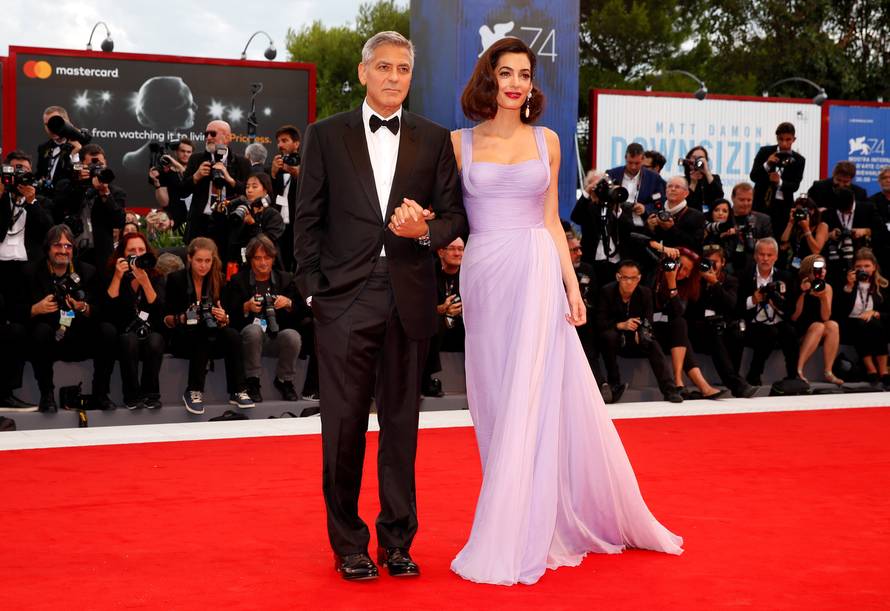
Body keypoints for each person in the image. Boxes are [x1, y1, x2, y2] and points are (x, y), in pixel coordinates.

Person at [450, 37, 682, 587]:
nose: (516, 83)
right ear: (488, 78)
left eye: (524, 74)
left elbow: (552, 220)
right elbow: (448, 216)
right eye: (506, 72)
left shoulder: (548, 140)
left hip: (535, 268)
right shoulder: (459, 143)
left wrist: (571, 287)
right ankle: (512, 511)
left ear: (532, 84)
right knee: (496, 396)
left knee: (533, 392)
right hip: (485, 273)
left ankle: (525, 526)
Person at [294, 31, 468, 581]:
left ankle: (397, 540)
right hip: (343, 300)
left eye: (404, 69)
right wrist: (313, 291)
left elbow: (454, 217)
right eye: (385, 67)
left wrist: (424, 234)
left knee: (401, 427)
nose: (395, 77)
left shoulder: (433, 139)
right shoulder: (325, 135)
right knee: (342, 427)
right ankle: (348, 543)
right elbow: (307, 218)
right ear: (364, 72)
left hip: (409, 298)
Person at [24, 224, 117, 411]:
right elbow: (14, 311)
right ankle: (47, 395)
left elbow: (102, 310)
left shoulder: (88, 272)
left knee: (108, 331)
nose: (63, 250)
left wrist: (84, 307)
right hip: (50, 338)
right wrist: (35, 309)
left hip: (79, 336)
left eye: (68, 246)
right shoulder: (31, 272)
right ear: (47, 248)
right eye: (57, 245)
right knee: (40, 331)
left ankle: (100, 393)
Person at [163, 237, 254, 414]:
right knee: (202, 333)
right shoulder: (176, 279)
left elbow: (228, 317)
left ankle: (238, 390)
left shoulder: (219, 279)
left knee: (232, 335)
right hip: (183, 339)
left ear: (213, 261)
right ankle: (193, 390)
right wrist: (183, 317)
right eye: (199, 260)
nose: (203, 265)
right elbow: (165, 319)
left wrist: (224, 317)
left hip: (210, 338)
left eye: (207, 261)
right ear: (189, 258)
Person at [223, 235, 309, 404]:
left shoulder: (286, 279)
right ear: (250, 260)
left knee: (292, 336)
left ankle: (284, 380)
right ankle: (252, 381)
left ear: (273, 259)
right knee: (253, 331)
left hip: (276, 338)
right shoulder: (238, 281)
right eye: (258, 258)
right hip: (249, 341)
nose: (263, 263)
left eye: (267, 257)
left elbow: (303, 312)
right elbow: (227, 315)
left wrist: (289, 304)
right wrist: (246, 307)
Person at [597, 260, 682, 404]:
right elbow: (600, 322)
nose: (629, 282)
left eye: (633, 278)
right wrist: (620, 325)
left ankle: (669, 389)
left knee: (652, 343)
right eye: (625, 278)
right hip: (615, 336)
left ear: (639, 278)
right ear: (618, 277)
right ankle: (614, 384)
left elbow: (648, 319)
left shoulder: (645, 293)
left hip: (635, 336)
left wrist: (642, 331)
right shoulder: (607, 291)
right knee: (608, 337)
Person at [104, 232, 166, 409]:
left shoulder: (156, 276)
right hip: (123, 334)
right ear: (122, 255)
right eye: (132, 251)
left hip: (149, 332)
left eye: (141, 250)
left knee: (156, 339)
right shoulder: (114, 274)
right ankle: (131, 396)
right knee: (128, 339)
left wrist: (145, 282)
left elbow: (159, 309)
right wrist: (117, 277)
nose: (137, 254)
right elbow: (108, 309)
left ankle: (150, 394)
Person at [652, 249, 725, 399]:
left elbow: (678, 312)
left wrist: (672, 285)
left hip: (671, 333)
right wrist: (669, 279)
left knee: (680, 325)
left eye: (687, 270)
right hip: (651, 331)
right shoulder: (655, 277)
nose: (682, 272)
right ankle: (694, 385)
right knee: (681, 329)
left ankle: (685, 384)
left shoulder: (685, 286)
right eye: (680, 266)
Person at [687, 245, 756, 397]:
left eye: (715, 262)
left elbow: (730, 304)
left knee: (737, 330)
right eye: (707, 262)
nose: (711, 266)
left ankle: (735, 377)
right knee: (712, 330)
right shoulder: (695, 279)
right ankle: (736, 384)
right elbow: (691, 306)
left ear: (723, 262)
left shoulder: (730, 281)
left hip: (722, 327)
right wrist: (700, 281)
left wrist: (715, 284)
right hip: (699, 330)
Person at [738, 238, 800, 386]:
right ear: (755, 256)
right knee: (768, 332)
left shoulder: (785, 277)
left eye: (769, 255)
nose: (765, 258)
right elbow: (736, 306)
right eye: (761, 254)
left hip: (778, 321)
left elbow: (791, 308)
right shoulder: (744, 276)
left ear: (776, 257)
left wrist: (777, 304)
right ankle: (754, 374)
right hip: (752, 323)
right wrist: (753, 300)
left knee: (790, 332)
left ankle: (793, 376)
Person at [52, 144, 126, 267]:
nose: (97, 168)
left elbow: (119, 221)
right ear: (82, 165)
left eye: (100, 165)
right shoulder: (68, 186)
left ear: (106, 163)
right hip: (72, 253)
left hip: (102, 256)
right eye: (92, 165)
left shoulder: (115, 192)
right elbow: (58, 211)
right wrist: (79, 184)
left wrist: (105, 193)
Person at [570, 169, 647, 284]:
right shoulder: (586, 206)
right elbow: (576, 217)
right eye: (598, 185)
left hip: (616, 261)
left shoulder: (618, 206)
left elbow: (629, 229)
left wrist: (616, 207)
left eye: (604, 184)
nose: (602, 189)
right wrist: (588, 191)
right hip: (592, 261)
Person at [181, 120, 251, 246]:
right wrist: (196, 177)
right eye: (206, 134)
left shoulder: (242, 162)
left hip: (229, 223)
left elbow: (248, 193)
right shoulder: (196, 159)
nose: (208, 137)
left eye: (213, 134)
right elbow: (182, 191)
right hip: (200, 223)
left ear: (227, 137)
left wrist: (230, 179)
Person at [836, 248, 890, 386]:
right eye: (859, 266)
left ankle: (883, 371)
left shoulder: (882, 286)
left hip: (875, 324)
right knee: (861, 324)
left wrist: (875, 313)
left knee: (874, 323)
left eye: (867, 266)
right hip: (851, 324)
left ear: (874, 267)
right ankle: (871, 369)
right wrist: (848, 287)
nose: (863, 269)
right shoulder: (846, 284)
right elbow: (839, 311)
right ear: (853, 268)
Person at [422, 237, 466, 398]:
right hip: (437, 327)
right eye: (452, 248)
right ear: (441, 252)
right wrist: (441, 310)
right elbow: (418, 308)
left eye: (461, 249)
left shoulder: (469, 273)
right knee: (433, 322)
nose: (457, 253)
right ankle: (426, 379)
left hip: (462, 326)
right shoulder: (427, 273)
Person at [790, 254, 842, 384]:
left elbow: (825, 317)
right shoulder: (797, 283)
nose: (822, 271)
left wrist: (823, 298)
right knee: (819, 326)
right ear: (808, 270)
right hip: (797, 329)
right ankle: (798, 370)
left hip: (817, 328)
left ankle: (828, 372)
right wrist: (803, 293)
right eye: (818, 268)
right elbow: (794, 316)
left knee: (832, 325)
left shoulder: (826, 288)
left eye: (824, 268)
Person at [750, 122, 806, 230]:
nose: (784, 143)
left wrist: (779, 182)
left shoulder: (799, 160)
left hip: (783, 208)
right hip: (761, 204)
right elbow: (753, 176)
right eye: (781, 139)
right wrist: (767, 164)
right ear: (777, 138)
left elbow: (795, 186)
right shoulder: (765, 152)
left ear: (794, 139)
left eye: (788, 139)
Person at [226, 173, 284, 266]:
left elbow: (267, 244)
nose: (249, 190)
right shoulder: (242, 211)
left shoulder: (273, 215)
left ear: (265, 190)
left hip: (265, 266)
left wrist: (252, 224)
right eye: (247, 187)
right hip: (241, 264)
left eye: (254, 187)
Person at [270, 125, 302, 272]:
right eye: (278, 141)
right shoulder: (276, 165)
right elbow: (269, 195)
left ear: (296, 144)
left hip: (297, 224)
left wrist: (299, 175)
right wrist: (273, 174)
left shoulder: (307, 164)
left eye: (284, 140)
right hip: (279, 223)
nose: (280, 145)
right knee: (279, 262)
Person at [645, 176, 705, 253]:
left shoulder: (696, 216)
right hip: (656, 257)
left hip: (683, 258)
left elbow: (696, 245)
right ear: (665, 191)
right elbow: (646, 240)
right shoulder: (656, 212)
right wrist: (650, 228)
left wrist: (671, 229)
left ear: (686, 193)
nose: (673, 189)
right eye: (670, 186)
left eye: (677, 187)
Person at [607, 142, 666, 214]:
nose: (633, 167)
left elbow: (660, 203)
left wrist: (645, 208)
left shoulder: (653, 178)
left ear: (643, 159)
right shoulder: (612, 174)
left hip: (640, 219)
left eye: (637, 163)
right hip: (615, 218)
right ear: (625, 158)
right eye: (630, 162)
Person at [149, 137, 194, 230]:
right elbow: (164, 202)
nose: (185, 154)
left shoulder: (196, 170)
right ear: (176, 152)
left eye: (189, 152)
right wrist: (157, 184)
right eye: (182, 151)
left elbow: (187, 176)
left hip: (193, 218)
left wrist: (173, 162)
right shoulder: (165, 171)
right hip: (173, 219)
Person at [727, 183, 772, 273]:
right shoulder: (724, 218)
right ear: (732, 198)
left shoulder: (763, 220)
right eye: (742, 200)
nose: (746, 203)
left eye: (749, 200)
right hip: (728, 268)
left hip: (754, 269)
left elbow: (769, 246)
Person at [778, 196, 828, 272]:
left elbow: (816, 250)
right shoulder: (797, 226)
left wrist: (806, 229)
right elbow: (783, 245)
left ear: (812, 211)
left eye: (803, 211)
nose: (800, 214)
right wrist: (790, 223)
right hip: (795, 266)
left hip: (812, 268)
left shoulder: (821, 226)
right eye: (798, 211)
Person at [681, 146, 724, 213]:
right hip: (692, 216)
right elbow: (685, 203)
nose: (696, 160)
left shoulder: (714, 178)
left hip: (710, 216)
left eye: (700, 158)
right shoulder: (682, 180)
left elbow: (719, 197)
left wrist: (707, 172)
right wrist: (693, 183)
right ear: (688, 160)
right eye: (694, 157)